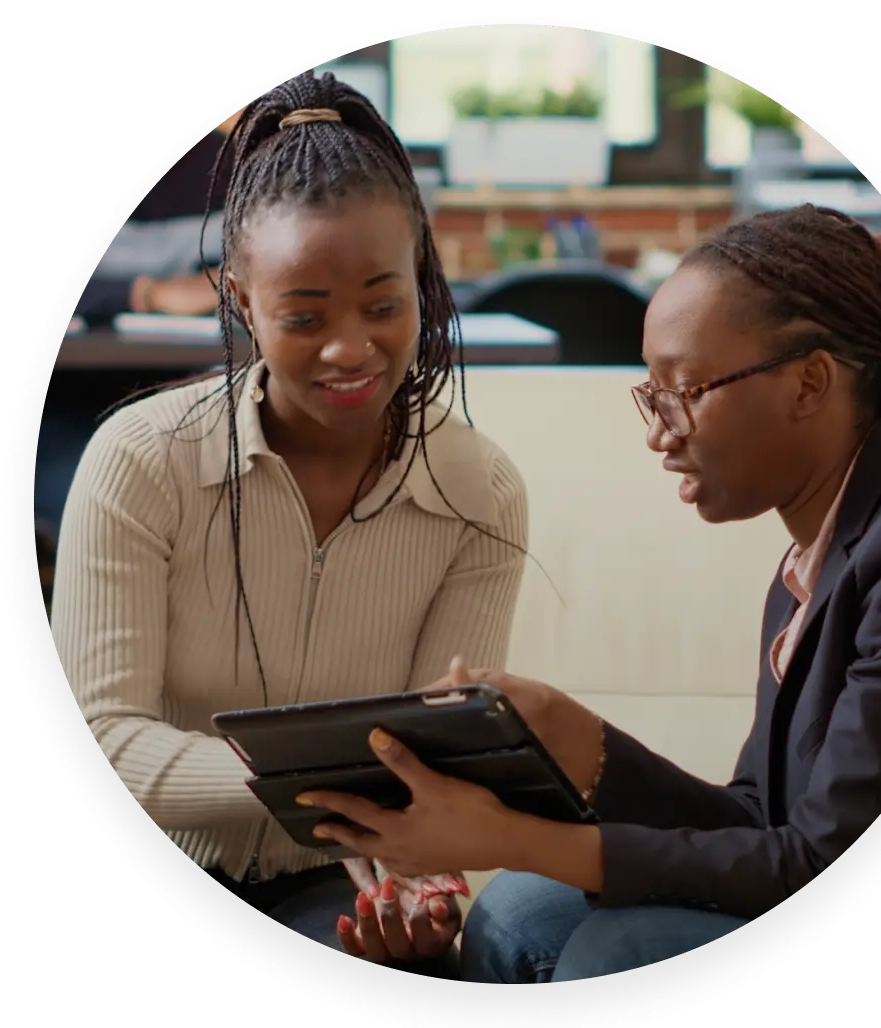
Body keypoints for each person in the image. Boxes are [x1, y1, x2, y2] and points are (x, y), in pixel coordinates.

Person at [295, 205, 881, 981]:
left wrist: (505, 837)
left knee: (610, 948)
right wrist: (572, 734)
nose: (661, 432)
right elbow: (758, 821)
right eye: (650, 394)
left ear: (810, 383)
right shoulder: (814, 562)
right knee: (520, 908)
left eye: (684, 390)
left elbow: (824, 863)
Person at [50, 72, 529, 969]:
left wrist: (424, 899)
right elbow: (101, 746)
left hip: (327, 894)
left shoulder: (480, 492)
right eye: (304, 317)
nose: (351, 348)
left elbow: (431, 772)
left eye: (384, 306)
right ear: (239, 302)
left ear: (423, 280)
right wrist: (326, 772)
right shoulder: (141, 461)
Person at [34, 107, 243, 606]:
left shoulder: (229, 165)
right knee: (104, 512)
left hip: (189, 399)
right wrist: (144, 293)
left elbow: (262, 272)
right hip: (62, 411)